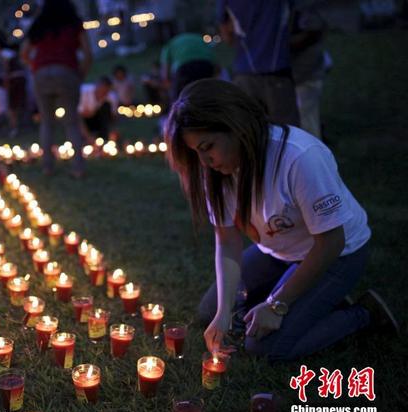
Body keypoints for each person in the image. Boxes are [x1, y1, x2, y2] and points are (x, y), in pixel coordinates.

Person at [165, 79, 398, 362]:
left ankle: (363, 314)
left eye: (208, 146)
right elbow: (227, 240)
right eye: (195, 152)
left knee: (263, 347)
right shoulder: (217, 172)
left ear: (235, 125)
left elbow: (331, 242)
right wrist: (224, 311)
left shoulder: (299, 157)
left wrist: (277, 305)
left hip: (336, 254)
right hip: (279, 253)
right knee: (209, 311)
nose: (204, 162)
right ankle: (318, 299)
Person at [21, 0, 92, 178]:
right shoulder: (74, 24)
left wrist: (36, 67)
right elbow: (88, 53)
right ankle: (78, 168)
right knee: (71, 122)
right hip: (67, 71)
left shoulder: (39, 24)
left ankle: (47, 167)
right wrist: (80, 74)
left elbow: (24, 53)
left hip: (42, 73)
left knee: (46, 121)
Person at [217, 0, 300, 126]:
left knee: (250, 131)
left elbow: (227, 36)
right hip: (277, 72)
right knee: (287, 132)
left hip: (244, 73)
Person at [291, 6, 329, 138]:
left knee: (308, 124)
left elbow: (314, 31)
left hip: (305, 75)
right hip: (286, 78)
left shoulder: (305, 9)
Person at [160, 32, 215, 102]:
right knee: (207, 93)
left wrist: (169, 85)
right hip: (206, 65)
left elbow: (165, 72)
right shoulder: (198, 38)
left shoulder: (170, 44)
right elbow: (214, 61)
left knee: (180, 99)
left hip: (184, 69)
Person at [78, 76, 118, 141]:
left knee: (106, 106)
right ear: (96, 86)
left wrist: (113, 131)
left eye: (105, 92)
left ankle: (103, 138)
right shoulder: (83, 91)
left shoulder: (111, 97)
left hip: (98, 118)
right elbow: (78, 116)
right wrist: (87, 135)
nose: (102, 94)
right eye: (101, 90)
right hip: (83, 119)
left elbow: (113, 116)